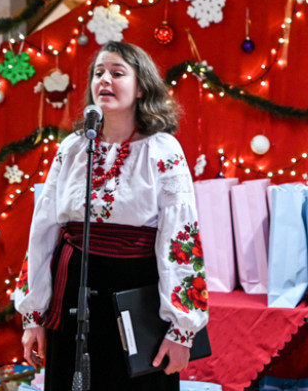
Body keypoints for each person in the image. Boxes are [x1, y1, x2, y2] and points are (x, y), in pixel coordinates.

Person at [14, 41, 207, 390]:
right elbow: (42, 230)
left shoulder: (162, 149)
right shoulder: (72, 148)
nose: (105, 79)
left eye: (118, 73)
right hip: (72, 290)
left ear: (142, 86)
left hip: (136, 293)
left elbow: (181, 238)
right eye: (99, 73)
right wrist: (33, 315)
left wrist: (182, 329)